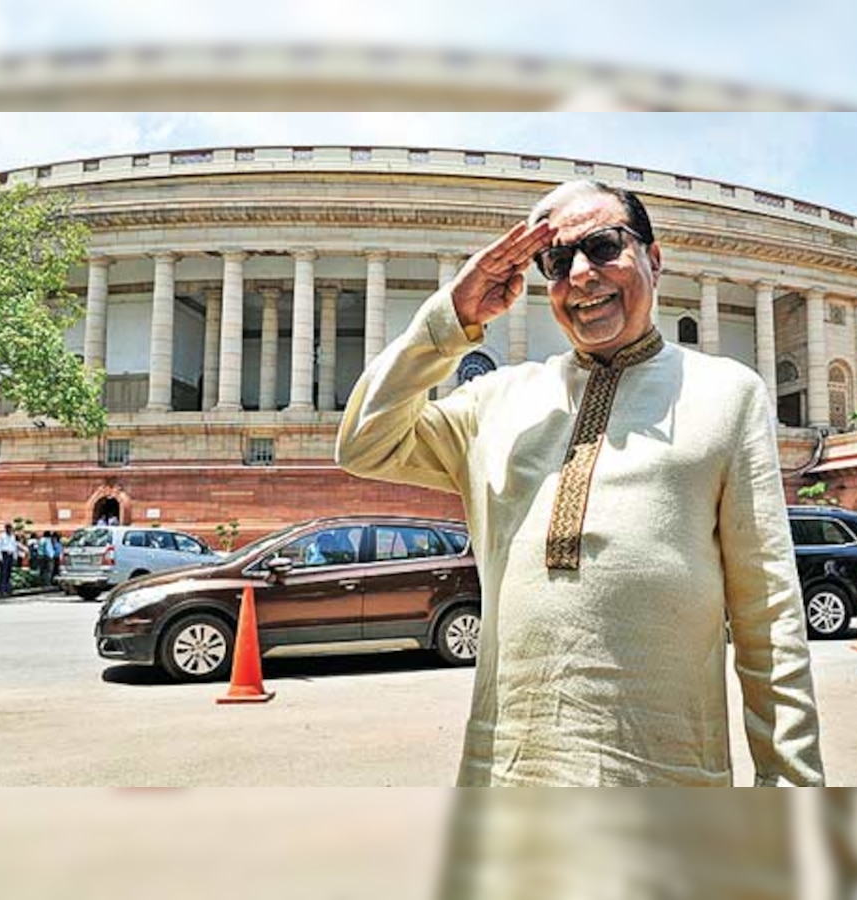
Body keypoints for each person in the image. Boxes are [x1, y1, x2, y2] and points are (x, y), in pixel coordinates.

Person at [337, 179, 824, 786]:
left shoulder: (727, 394)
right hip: (509, 776)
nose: (581, 274)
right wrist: (451, 317)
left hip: (669, 781)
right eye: (558, 261)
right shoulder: (497, 401)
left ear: (654, 257)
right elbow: (363, 441)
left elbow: (768, 612)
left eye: (602, 246)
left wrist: (792, 783)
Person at [0, 523, 21, 596]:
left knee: (9, 573)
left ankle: (8, 588)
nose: (10, 530)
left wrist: (15, 556)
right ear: (6, 528)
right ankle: (2, 589)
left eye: (11, 528)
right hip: (4, 554)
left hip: (10, 554)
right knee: (3, 573)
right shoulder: (1, 536)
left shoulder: (12, 536)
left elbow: (14, 546)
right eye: (8, 528)